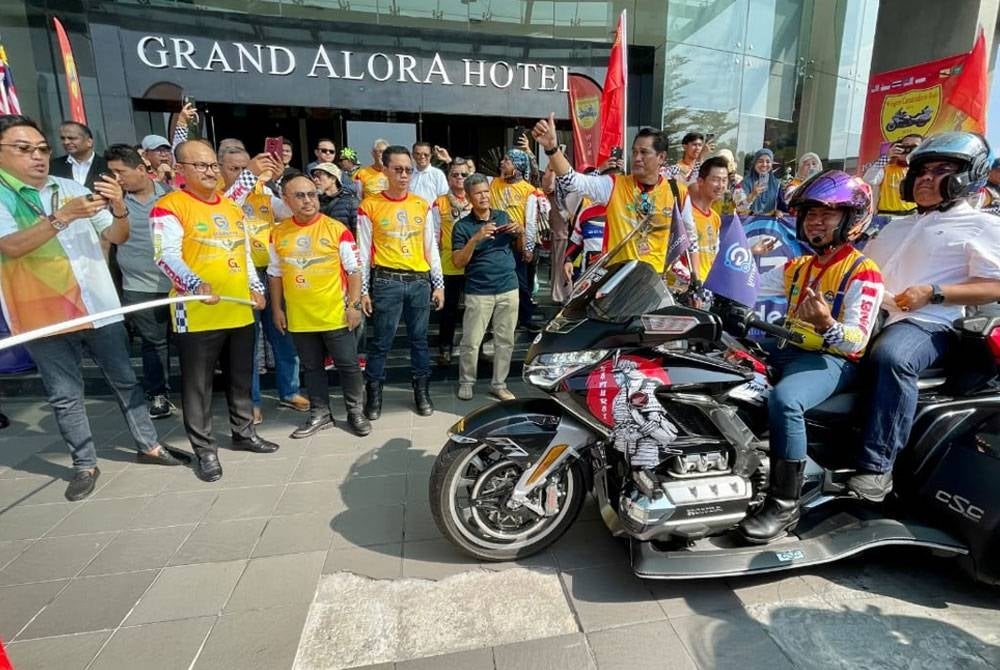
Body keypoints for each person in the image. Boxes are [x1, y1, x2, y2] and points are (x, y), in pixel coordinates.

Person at [0, 115, 184, 501]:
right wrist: (63, 217)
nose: (37, 156)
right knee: (65, 394)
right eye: (24, 149)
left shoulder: (68, 187)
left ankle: (148, 445)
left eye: (41, 149)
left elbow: (116, 235)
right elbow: (12, 247)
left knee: (124, 380)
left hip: (96, 304)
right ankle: (84, 463)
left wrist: (118, 208)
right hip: (42, 313)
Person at [849, 132, 1000, 502]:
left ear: (968, 177)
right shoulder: (894, 225)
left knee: (892, 358)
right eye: (921, 172)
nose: (926, 179)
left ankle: (877, 467)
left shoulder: (983, 225)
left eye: (941, 171)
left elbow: (995, 285)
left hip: (931, 323)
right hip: (872, 316)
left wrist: (933, 293)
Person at [738, 170, 884, 543]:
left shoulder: (863, 272)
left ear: (852, 219)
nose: (815, 221)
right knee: (725, 363)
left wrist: (826, 323)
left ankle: (784, 504)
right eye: (810, 214)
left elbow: (856, 341)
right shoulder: (799, 267)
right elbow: (749, 289)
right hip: (790, 348)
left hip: (833, 360)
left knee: (786, 400)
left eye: (827, 214)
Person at [152, 139, 278, 483]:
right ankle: (205, 450)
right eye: (200, 166)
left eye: (212, 166)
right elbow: (166, 255)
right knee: (198, 385)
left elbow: (244, 253)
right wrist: (193, 283)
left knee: (240, 377)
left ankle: (244, 433)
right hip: (196, 313)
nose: (209, 172)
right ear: (181, 170)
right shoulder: (169, 206)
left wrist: (256, 286)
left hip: (238, 309)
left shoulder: (231, 207)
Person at [268, 175, 370, 437]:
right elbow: (275, 274)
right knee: (312, 368)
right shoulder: (278, 232)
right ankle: (320, 412)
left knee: (348, 365)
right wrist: (277, 309)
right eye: (299, 196)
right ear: (286, 200)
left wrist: (354, 305)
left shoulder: (336, 229)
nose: (307, 200)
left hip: (335, 314)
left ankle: (355, 412)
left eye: (311, 194)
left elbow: (354, 270)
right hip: (300, 317)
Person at [532, 115, 697, 276]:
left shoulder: (677, 192)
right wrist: (552, 149)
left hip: (654, 284)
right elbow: (572, 181)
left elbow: (691, 240)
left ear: (661, 157)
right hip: (617, 281)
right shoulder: (613, 185)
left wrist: (695, 279)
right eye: (634, 152)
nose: (637, 158)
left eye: (644, 152)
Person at [217, 145, 308, 423]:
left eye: (247, 168)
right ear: (220, 168)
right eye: (236, 169)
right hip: (239, 276)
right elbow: (230, 206)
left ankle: (289, 390)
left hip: (271, 272)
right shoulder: (217, 196)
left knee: (283, 334)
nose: (245, 174)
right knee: (248, 343)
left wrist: (278, 182)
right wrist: (250, 176)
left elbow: (292, 211)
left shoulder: (264, 192)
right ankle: (251, 400)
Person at [357, 145, 444, 418]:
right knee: (382, 341)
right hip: (386, 281)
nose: (404, 174)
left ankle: (421, 391)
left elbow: (431, 245)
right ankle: (374, 395)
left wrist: (438, 283)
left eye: (408, 169)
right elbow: (362, 251)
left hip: (419, 282)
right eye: (398, 169)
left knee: (419, 341)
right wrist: (362, 290)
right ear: (385, 170)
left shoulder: (422, 204)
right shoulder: (369, 206)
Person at [104, 143, 175, 419]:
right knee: (152, 343)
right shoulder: (111, 203)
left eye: (120, 172)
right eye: (111, 173)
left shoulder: (171, 196)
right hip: (138, 286)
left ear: (142, 169)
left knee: (189, 341)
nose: (117, 179)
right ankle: (158, 395)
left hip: (176, 286)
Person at [452, 173, 521, 401]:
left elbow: (519, 248)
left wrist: (518, 231)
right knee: (471, 341)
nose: (483, 196)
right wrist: (476, 238)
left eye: (485, 191)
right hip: (479, 290)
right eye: (478, 193)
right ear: (470, 198)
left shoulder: (502, 216)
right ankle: (466, 382)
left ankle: (499, 384)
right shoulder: (462, 227)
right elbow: (458, 261)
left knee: (505, 341)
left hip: (508, 286)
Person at [490, 148, 546, 332]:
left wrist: (528, 247)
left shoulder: (528, 190)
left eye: (507, 160)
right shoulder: (493, 184)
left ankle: (526, 318)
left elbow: (530, 222)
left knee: (520, 283)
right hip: (494, 242)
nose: (502, 163)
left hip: (515, 243)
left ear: (518, 165)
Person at [432, 158, 473, 365]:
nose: (459, 178)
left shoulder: (477, 199)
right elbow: (433, 235)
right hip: (448, 263)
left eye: (464, 175)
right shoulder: (439, 202)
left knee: (475, 309)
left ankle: (476, 348)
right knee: (449, 309)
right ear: (448, 178)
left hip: (474, 263)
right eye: (455, 174)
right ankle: (445, 348)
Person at [688, 156, 729, 282]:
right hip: (689, 287)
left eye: (724, 180)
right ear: (700, 181)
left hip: (709, 287)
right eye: (715, 180)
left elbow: (715, 254)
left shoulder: (715, 218)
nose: (721, 185)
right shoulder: (686, 216)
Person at [862, 134, 922, 216]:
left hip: (913, 215)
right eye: (905, 146)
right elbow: (868, 180)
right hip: (887, 216)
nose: (908, 149)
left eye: (914, 147)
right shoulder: (885, 168)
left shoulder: (921, 170)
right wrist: (887, 157)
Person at [50, 121, 107, 191]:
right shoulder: (53, 166)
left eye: (72, 138)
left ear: (89, 142)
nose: (66, 142)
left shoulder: (107, 165)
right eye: (63, 138)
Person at [312, 162, 358, 233]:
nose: (315, 179)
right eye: (314, 176)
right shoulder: (314, 203)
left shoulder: (351, 202)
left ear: (333, 179)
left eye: (319, 175)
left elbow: (358, 233)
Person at [740, 148, 782, 214]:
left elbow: (782, 208)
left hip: (769, 223)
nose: (764, 165)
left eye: (768, 162)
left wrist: (778, 212)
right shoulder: (745, 183)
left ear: (771, 165)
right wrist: (753, 195)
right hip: (748, 223)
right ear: (754, 164)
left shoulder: (776, 184)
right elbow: (740, 208)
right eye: (760, 161)